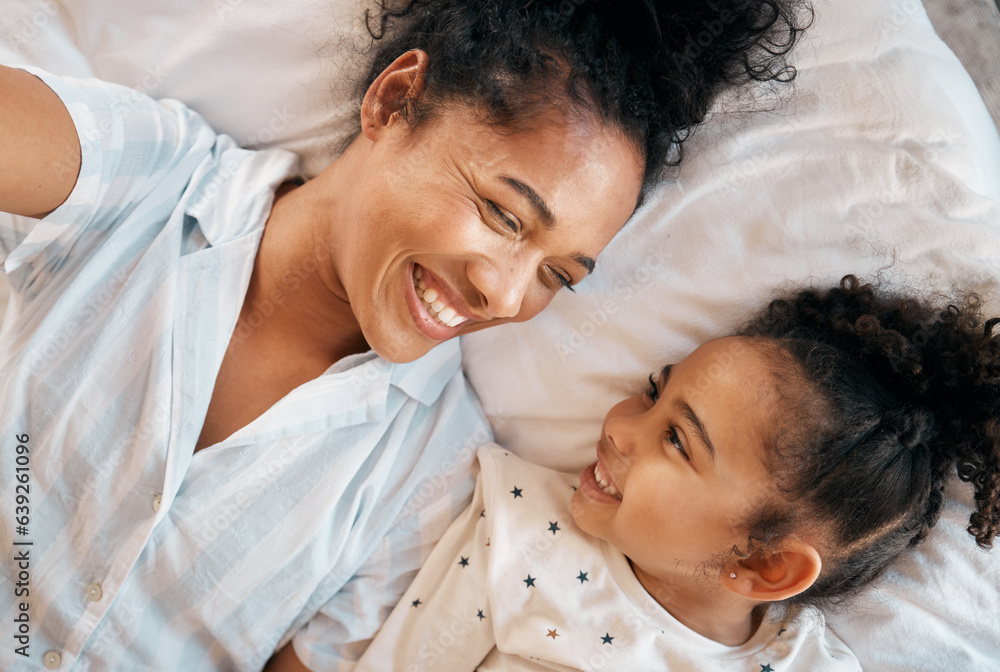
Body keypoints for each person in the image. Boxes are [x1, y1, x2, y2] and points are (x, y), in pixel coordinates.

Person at [0, 1, 809, 670]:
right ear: (394, 101)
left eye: (558, 276)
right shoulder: (147, 179)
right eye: (502, 213)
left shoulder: (435, 478)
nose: (502, 290)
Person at [352, 276, 1000, 671]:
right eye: (653, 391)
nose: (618, 426)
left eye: (675, 440)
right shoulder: (522, 530)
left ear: (764, 566)